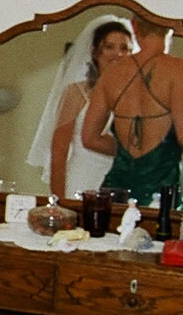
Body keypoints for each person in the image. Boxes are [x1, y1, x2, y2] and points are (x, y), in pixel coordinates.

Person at [81, 14, 183, 206]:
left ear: (134, 26)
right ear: (171, 27)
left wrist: (126, 153)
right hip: (160, 193)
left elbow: (89, 138)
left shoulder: (112, 73)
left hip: (116, 191)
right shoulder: (180, 69)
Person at [26, 15, 134, 199]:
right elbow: (59, 152)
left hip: (123, 187)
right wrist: (60, 202)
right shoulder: (76, 92)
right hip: (81, 183)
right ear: (95, 52)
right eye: (109, 47)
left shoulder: (136, 96)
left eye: (124, 48)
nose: (118, 54)